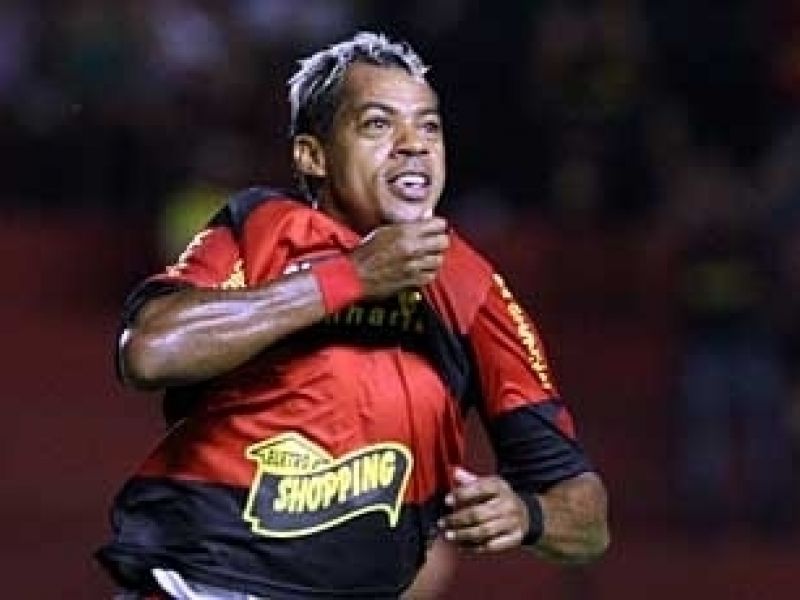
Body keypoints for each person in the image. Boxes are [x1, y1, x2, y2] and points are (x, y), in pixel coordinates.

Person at [97, 31, 609, 599]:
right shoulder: (264, 227)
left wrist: (529, 515)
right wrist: (351, 278)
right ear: (313, 155)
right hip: (201, 587)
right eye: (378, 124)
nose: (413, 145)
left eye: (429, 127)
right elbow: (148, 351)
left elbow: (587, 520)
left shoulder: (471, 286)